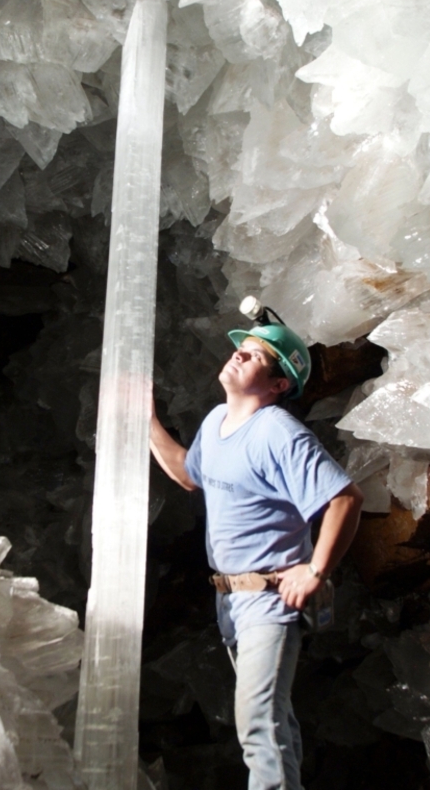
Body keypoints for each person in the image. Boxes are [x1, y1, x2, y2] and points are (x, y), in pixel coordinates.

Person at [150, 319, 364, 790]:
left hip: (269, 599)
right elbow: (189, 474)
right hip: (230, 599)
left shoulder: (278, 433)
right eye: (242, 349)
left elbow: (345, 498)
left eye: (257, 356)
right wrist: (144, 420)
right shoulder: (216, 422)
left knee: (258, 725)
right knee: (274, 724)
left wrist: (315, 569)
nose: (240, 355)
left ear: (278, 384)